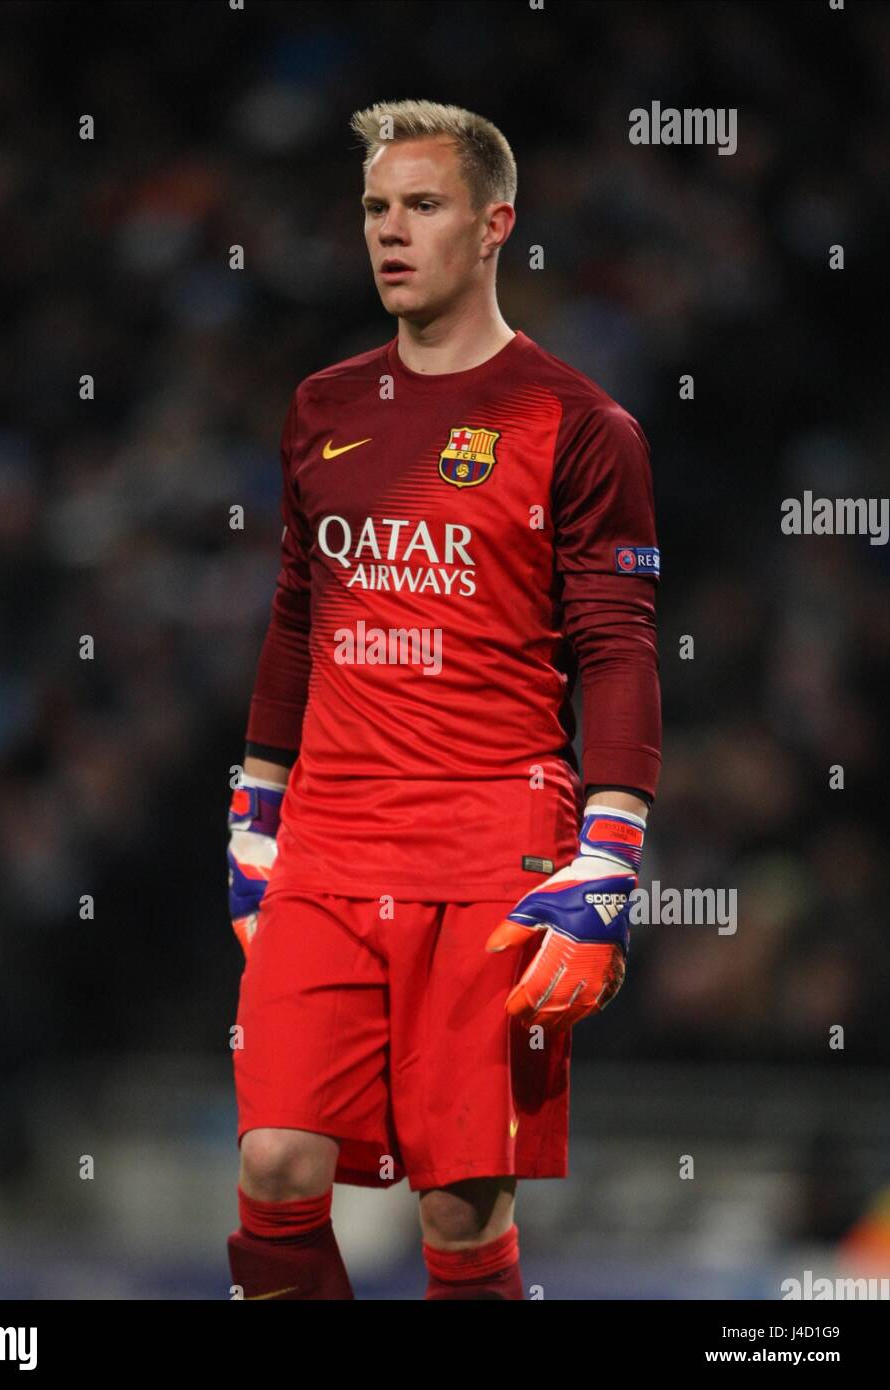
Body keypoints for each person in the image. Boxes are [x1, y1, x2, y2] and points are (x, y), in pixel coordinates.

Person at [226, 99, 661, 1301]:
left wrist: (610, 851)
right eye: (374, 207)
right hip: (327, 833)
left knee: (462, 1210)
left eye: (421, 205)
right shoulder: (321, 406)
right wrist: (254, 810)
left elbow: (616, 647)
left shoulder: (576, 423)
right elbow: (292, 619)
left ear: (492, 226)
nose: (389, 232)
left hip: (491, 843)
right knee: (272, 1157)